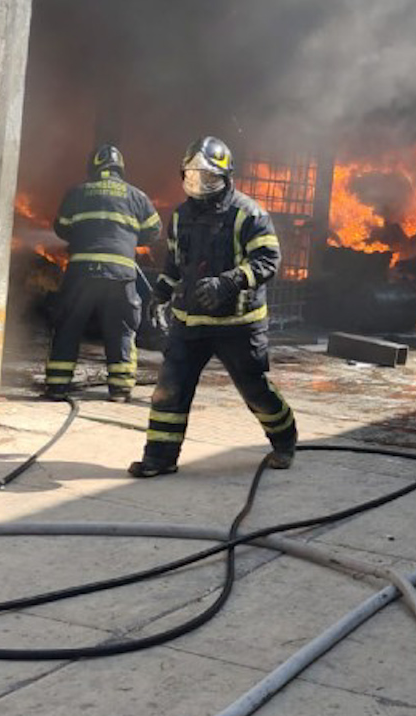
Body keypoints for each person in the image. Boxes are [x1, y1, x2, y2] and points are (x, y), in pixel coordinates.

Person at [129, 137, 297, 478]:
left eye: (208, 179)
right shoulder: (179, 217)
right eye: (193, 178)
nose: (200, 186)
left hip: (238, 323)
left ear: (226, 177)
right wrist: (161, 293)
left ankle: (285, 439)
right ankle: (159, 458)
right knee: (169, 390)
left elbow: (269, 260)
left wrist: (229, 282)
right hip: (190, 322)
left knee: (254, 389)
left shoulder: (249, 214)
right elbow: (176, 263)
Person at [43, 144, 161, 402]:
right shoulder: (137, 196)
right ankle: (119, 389)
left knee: (68, 325)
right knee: (121, 329)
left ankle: (57, 386)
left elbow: (61, 228)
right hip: (121, 274)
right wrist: (129, 237)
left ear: (93, 167)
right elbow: (154, 231)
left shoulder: (77, 193)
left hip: (81, 273)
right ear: (121, 168)